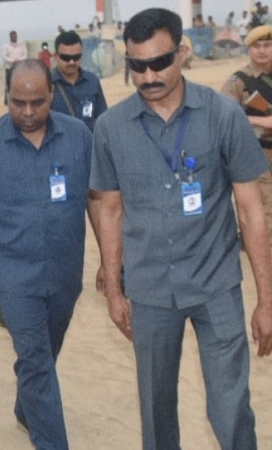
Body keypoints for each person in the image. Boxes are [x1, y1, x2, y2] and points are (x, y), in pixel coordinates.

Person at [91, 8, 272, 450]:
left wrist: (267, 300)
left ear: (182, 53)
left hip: (217, 286)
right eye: (137, 66)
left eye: (159, 63)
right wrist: (114, 290)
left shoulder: (223, 115)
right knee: (156, 411)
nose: (148, 76)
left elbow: (251, 210)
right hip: (150, 291)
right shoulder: (111, 128)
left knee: (231, 410)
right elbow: (109, 211)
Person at [0, 60, 92, 450]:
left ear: (51, 95)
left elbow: (97, 201)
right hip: (10, 271)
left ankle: (26, 406)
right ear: (6, 97)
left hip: (64, 269)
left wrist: (113, 265)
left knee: (45, 351)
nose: (28, 112)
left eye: (37, 102)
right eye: (18, 103)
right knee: (34, 356)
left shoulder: (79, 137)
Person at [222, 25, 272, 247]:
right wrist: (261, 121)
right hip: (257, 151)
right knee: (264, 203)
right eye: (256, 46)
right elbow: (224, 116)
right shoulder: (238, 81)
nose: (262, 51)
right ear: (248, 49)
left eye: (268, 45)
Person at [51, 30, 108, 132]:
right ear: (55, 56)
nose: (71, 62)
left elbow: (102, 118)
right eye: (66, 58)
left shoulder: (92, 81)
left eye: (76, 57)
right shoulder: (47, 84)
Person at [2, 30, 27, 103]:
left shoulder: (22, 44)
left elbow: (25, 55)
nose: (14, 37)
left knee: (21, 83)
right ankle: (8, 99)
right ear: (10, 37)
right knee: (9, 84)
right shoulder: (6, 46)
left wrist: (19, 61)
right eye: (12, 36)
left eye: (15, 36)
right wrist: (13, 61)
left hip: (20, 67)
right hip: (10, 67)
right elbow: (4, 57)